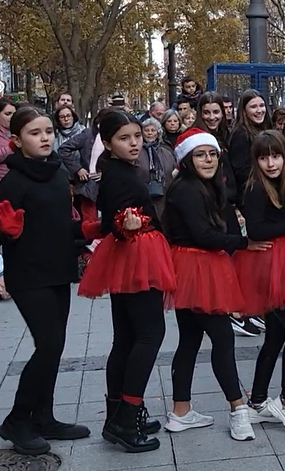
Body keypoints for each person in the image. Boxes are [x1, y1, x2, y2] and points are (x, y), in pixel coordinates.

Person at [0, 107, 91, 455]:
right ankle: (18, 420)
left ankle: (44, 417)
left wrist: (86, 231)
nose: (46, 137)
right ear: (17, 141)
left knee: (55, 346)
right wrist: (7, 229)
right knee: (47, 345)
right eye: (35, 133)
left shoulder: (55, 171)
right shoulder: (13, 178)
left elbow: (59, 223)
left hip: (57, 270)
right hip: (28, 275)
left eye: (48, 131)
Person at [78, 111, 176, 451]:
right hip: (137, 255)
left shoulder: (117, 171)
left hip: (129, 255)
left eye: (136, 136)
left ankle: (119, 413)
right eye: (124, 138)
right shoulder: (119, 176)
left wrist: (109, 227)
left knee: (128, 337)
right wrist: (125, 226)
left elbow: (110, 219)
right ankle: (125, 417)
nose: (134, 142)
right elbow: (120, 219)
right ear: (107, 143)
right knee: (150, 334)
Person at [161, 128, 262, 441]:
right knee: (222, 339)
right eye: (200, 154)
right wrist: (244, 243)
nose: (208, 159)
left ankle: (180, 411)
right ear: (187, 159)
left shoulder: (205, 185)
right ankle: (238, 410)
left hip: (196, 265)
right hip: (197, 266)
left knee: (190, 340)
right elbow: (203, 235)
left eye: (212, 153)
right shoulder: (187, 189)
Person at [236, 131, 285, 436]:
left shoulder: (283, 183)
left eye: (276, 156)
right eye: (264, 157)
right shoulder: (256, 188)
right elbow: (256, 228)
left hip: (279, 261)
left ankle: (257, 401)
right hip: (269, 264)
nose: (271, 163)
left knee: (276, 334)